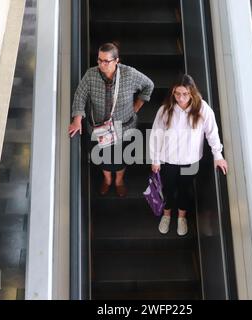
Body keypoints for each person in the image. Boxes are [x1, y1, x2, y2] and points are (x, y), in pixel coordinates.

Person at [68, 43, 154, 197]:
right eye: (99, 60)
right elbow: (80, 96)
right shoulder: (91, 74)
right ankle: (107, 180)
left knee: (121, 158)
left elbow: (149, 85)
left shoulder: (129, 74)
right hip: (99, 129)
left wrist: (138, 105)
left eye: (106, 61)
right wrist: (77, 119)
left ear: (116, 61)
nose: (101, 64)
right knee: (102, 158)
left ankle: (119, 181)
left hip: (124, 128)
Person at [149, 74, 227, 236]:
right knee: (168, 188)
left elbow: (212, 133)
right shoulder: (165, 110)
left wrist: (218, 155)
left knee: (185, 189)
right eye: (177, 93)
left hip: (190, 161)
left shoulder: (202, 108)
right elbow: (156, 135)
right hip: (169, 160)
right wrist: (155, 159)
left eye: (185, 94)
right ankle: (167, 214)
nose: (181, 98)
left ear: (192, 92)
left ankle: (182, 217)